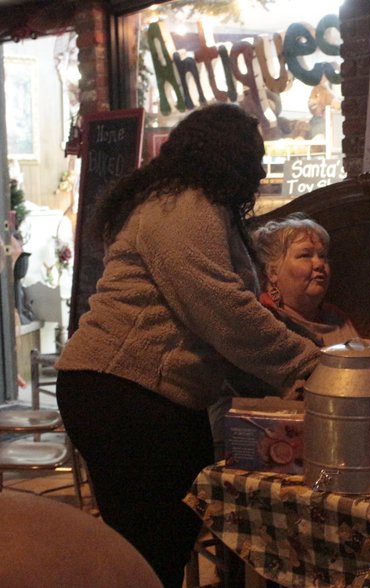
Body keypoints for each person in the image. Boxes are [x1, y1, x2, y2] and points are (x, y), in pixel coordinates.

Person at [55, 104, 320, 588]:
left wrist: (294, 380)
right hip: (123, 391)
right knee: (150, 547)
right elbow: (222, 309)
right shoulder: (184, 207)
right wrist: (309, 366)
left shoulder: (195, 206)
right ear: (225, 156)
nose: (259, 170)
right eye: (253, 157)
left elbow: (227, 326)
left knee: (159, 541)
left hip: (132, 393)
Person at [252, 213, 370, 368]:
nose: (320, 264)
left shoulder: (336, 317)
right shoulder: (263, 316)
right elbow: (305, 363)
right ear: (272, 271)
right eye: (305, 255)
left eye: (323, 256)